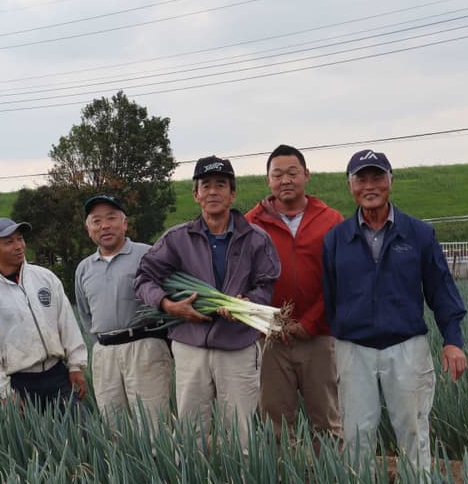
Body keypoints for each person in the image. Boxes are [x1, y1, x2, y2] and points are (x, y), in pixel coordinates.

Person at [322, 150, 467, 470]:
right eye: (361, 179)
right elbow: (330, 296)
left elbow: (441, 290)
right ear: (350, 186)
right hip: (354, 348)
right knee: (357, 434)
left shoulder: (419, 234)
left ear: (391, 182)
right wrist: (343, 334)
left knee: (413, 430)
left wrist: (452, 340)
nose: (369, 186)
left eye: (378, 178)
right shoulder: (336, 239)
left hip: (406, 346)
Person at [135, 156, 280, 447]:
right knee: (191, 429)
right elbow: (143, 279)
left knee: (242, 431)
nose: (213, 191)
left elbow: (267, 282)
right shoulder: (177, 239)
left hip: (237, 345)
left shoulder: (255, 238)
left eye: (221, 185)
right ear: (196, 194)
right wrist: (167, 305)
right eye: (206, 185)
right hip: (190, 346)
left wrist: (247, 302)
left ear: (232, 193)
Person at [245, 144, 344, 450]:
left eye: (292, 172)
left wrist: (310, 322)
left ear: (307, 175)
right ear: (268, 181)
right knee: (274, 421)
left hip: (319, 337)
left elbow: (340, 281)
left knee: (326, 420)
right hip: (271, 339)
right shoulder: (252, 223)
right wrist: (269, 322)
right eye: (278, 174)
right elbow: (244, 280)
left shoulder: (330, 220)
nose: (285, 180)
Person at [0, 217, 88, 413]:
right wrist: (3, 391)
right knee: (29, 442)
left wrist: (75, 365)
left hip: (58, 376)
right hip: (20, 384)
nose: (18, 246)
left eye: (20, 239)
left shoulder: (45, 278)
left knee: (81, 435)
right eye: (9, 242)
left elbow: (67, 324)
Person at [74, 193, 173, 420]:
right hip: (104, 353)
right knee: (113, 425)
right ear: (88, 228)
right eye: (96, 221)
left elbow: (168, 300)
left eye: (111, 218)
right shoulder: (84, 268)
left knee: (153, 423)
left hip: (145, 347)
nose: (105, 226)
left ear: (124, 223)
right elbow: (85, 313)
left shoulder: (148, 255)